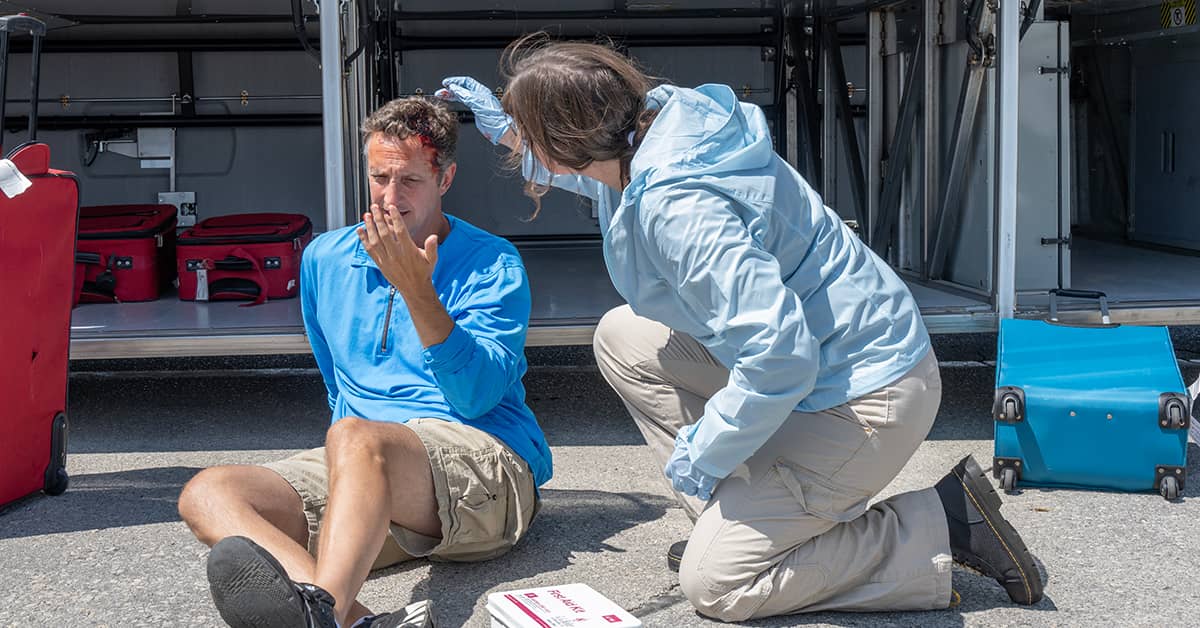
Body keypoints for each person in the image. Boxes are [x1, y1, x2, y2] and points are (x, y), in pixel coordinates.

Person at [437, 36, 1043, 622]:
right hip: (841, 354)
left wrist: (708, 447)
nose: (522, 157)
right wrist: (512, 129)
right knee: (625, 338)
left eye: (533, 141)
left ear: (569, 140)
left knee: (719, 586)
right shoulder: (661, 124)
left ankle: (939, 524)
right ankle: (748, 521)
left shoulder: (680, 209)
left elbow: (779, 354)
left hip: (864, 395)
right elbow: (605, 173)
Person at [177, 96, 552, 628]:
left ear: (445, 179)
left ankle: (322, 609)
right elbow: (338, 386)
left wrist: (418, 292)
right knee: (209, 492)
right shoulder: (325, 258)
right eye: (379, 178)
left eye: (410, 181)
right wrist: (357, 479)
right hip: (369, 464)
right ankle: (348, 618)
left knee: (357, 435)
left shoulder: (492, 262)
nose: (390, 198)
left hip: (485, 465)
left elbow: (478, 396)